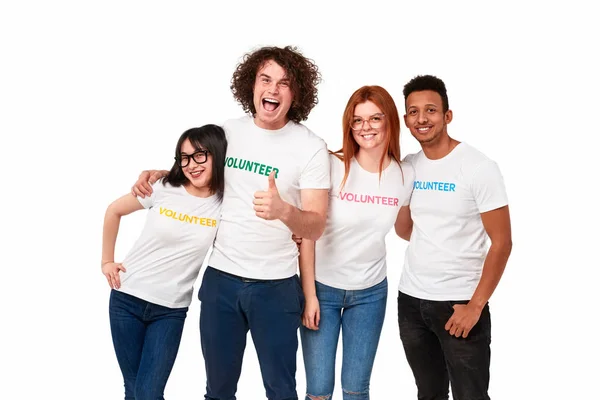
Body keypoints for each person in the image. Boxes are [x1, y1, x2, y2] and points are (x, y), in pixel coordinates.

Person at [132, 46, 330, 400]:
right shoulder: (226, 133)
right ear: (251, 85)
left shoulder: (310, 147)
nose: (273, 89)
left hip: (276, 287)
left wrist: (284, 211)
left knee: (281, 390)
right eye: (265, 79)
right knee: (218, 391)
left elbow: (315, 226)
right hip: (221, 282)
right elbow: (195, 172)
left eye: (284, 83)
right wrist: (164, 175)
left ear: (296, 93)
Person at [394, 75, 513, 400]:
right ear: (406, 120)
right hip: (412, 302)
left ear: (447, 115)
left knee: (470, 396)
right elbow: (404, 229)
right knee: (429, 394)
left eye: (430, 110)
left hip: (459, 303)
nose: (422, 119)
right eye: (413, 112)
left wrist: (476, 306)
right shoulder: (410, 165)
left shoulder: (478, 167)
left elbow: (502, 242)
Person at [298, 85, 414, 400]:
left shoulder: (406, 175)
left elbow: (406, 229)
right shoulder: (331, 164)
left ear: (390, 121)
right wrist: (309, 295)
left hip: (371, 292)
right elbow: (309, 232)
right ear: (349, 125)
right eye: (357, 120)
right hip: (322, 288)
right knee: (319, 390)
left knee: (356, 388)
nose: (366, 127)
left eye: (375, 118)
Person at [102, 125, 227, 400]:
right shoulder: (163, 187)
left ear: (217, 155)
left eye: (199, 155)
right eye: (184, 157)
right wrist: (107, 261)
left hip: (170, 310)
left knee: (148, 393)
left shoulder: (226, 202)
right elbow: (114, 211)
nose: (191, 165)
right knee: (133, 389)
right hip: (126, 298)